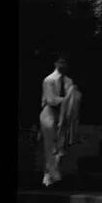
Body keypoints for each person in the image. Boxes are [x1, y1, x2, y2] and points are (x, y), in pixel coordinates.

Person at [38, 55, 77, 188]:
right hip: (49, 113)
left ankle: (50, 177)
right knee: (50, 146)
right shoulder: (49, 80)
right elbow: (51, 100)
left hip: (62, 114)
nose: (62, 65)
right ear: (55, 63)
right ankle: (52, 178)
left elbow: (72, 100)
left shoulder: (68, 82)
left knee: (59, 146)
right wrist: (66, 98)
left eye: (64, 62)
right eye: (60, 62)